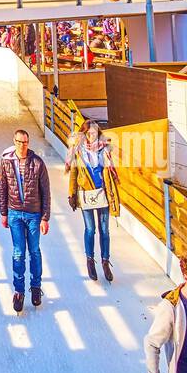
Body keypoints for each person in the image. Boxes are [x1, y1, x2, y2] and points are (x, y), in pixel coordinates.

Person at [0, 127, 50, 311]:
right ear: (14, 142)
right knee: (18, 252)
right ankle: (19, 291)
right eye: (19, 142)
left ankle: (36, 287)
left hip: (34, 214)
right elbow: (2, 187)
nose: (22, 145)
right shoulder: (6, 162)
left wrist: (45, 217)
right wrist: (3, 213)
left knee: (34, 251)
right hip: (14, 214)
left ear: (28, 143)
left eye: (25, 142)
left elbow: (46, 192)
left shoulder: (37, 163)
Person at [65, 119, 120, 282]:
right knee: (90, 229)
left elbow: (110, 172)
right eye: (89, 133)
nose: (92, 136)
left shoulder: (104, 150)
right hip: (86, 194)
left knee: (105, 230)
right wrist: (71, 193)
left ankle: (105, 261)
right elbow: (74, 173)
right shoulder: (78, 151)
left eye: (95, 133)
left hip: (102, 193)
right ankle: (90, 260)